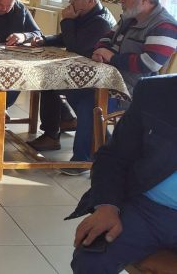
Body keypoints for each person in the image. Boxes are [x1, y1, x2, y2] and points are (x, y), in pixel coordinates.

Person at [59, 0, 177, 173]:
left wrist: (111, 57)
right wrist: (101, 51)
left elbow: (149, 63)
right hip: (110, 80)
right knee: (73, 91)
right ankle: (103, 143)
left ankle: (83, 160)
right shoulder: (129, 18)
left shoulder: (165, 25)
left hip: (135, 89)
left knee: (90, 105)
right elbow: (105, 38)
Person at [67, 74, 177, 273]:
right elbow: (114, 156)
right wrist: (107, 206)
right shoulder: (156, 90)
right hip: (145, 210)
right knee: (91, 259)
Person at [26, 0, 116, 152]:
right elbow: (67, 37)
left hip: (95, 76)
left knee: (48, 82)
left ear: (90, 0)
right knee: (48, 80)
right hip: (79, 68)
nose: (70, 1)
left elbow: (75, 46)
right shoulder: (87, 14)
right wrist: (45, 40)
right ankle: (67, 119)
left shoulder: (100, 22)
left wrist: (67, 20)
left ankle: (51, 136)